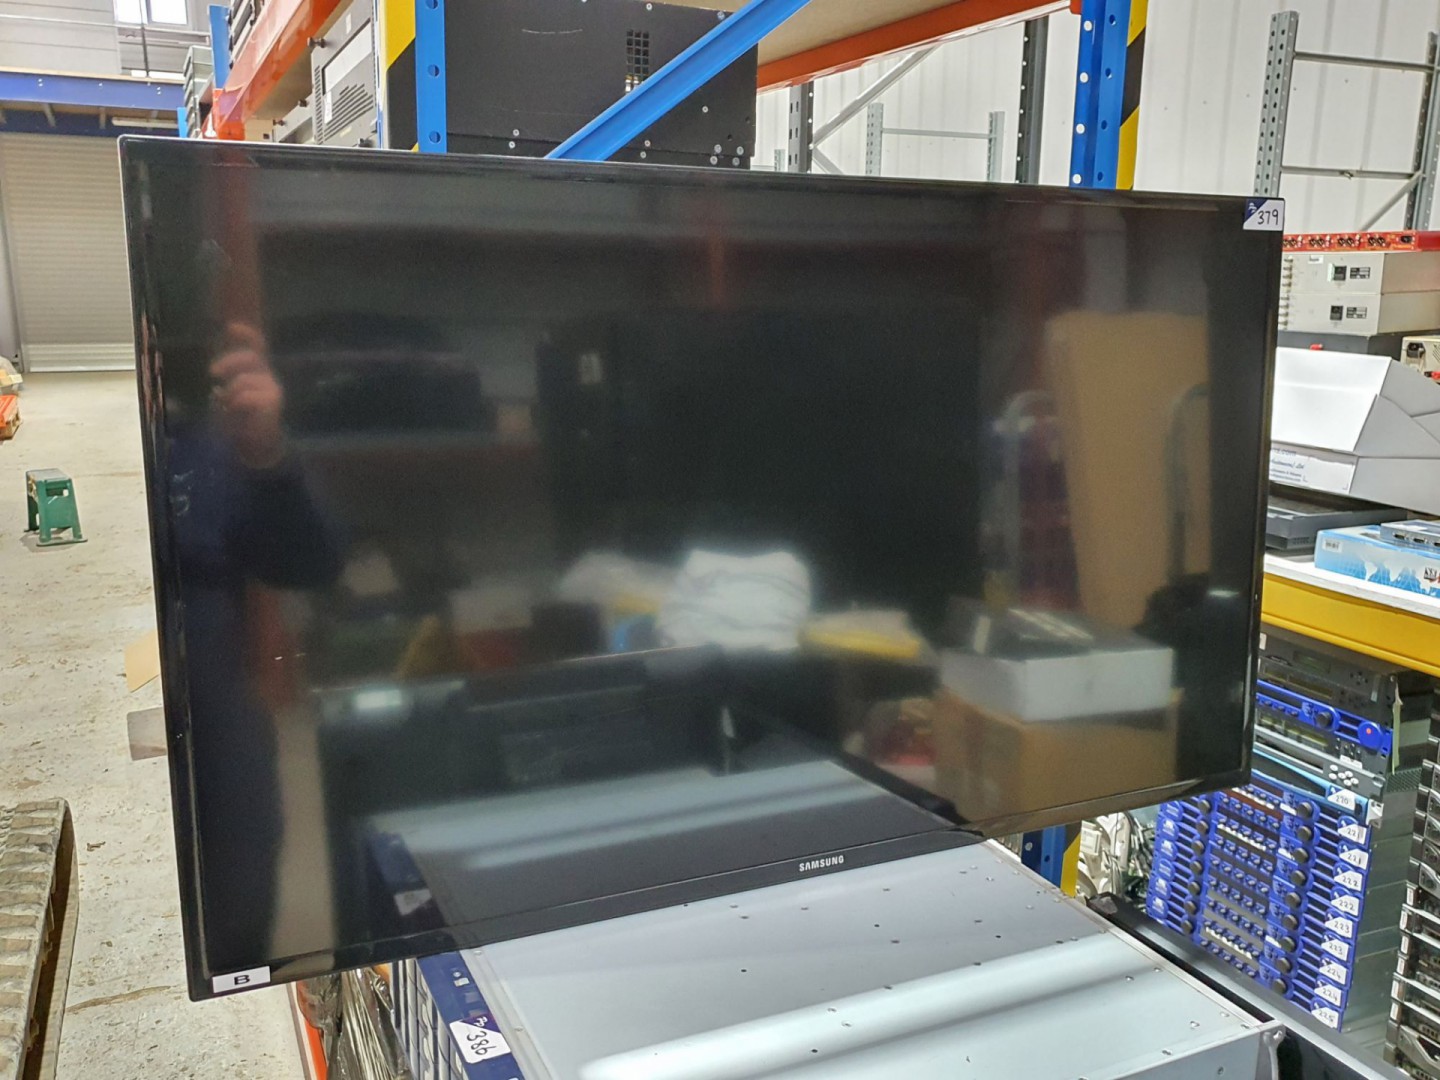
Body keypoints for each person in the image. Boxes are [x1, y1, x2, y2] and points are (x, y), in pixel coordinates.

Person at [166, 323, 344, 973]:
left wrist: (267, 455)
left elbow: (312, 563)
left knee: (239, 909)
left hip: (215, 686)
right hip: (112, 673)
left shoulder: (220, 444)